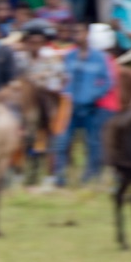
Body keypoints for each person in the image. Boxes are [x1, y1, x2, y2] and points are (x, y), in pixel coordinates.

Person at [57, 23, 113, 187]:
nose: (77, 35)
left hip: (90, 106)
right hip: (70, 106)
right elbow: (62, 77)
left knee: (93, 142)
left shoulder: (99, 57)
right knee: (63, 140)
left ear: (88, 34)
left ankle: (91, 176)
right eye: (74, 32)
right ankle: (61, 175)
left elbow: (108, 82)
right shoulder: (69, 56)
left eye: (80, 31)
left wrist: (94, 95)